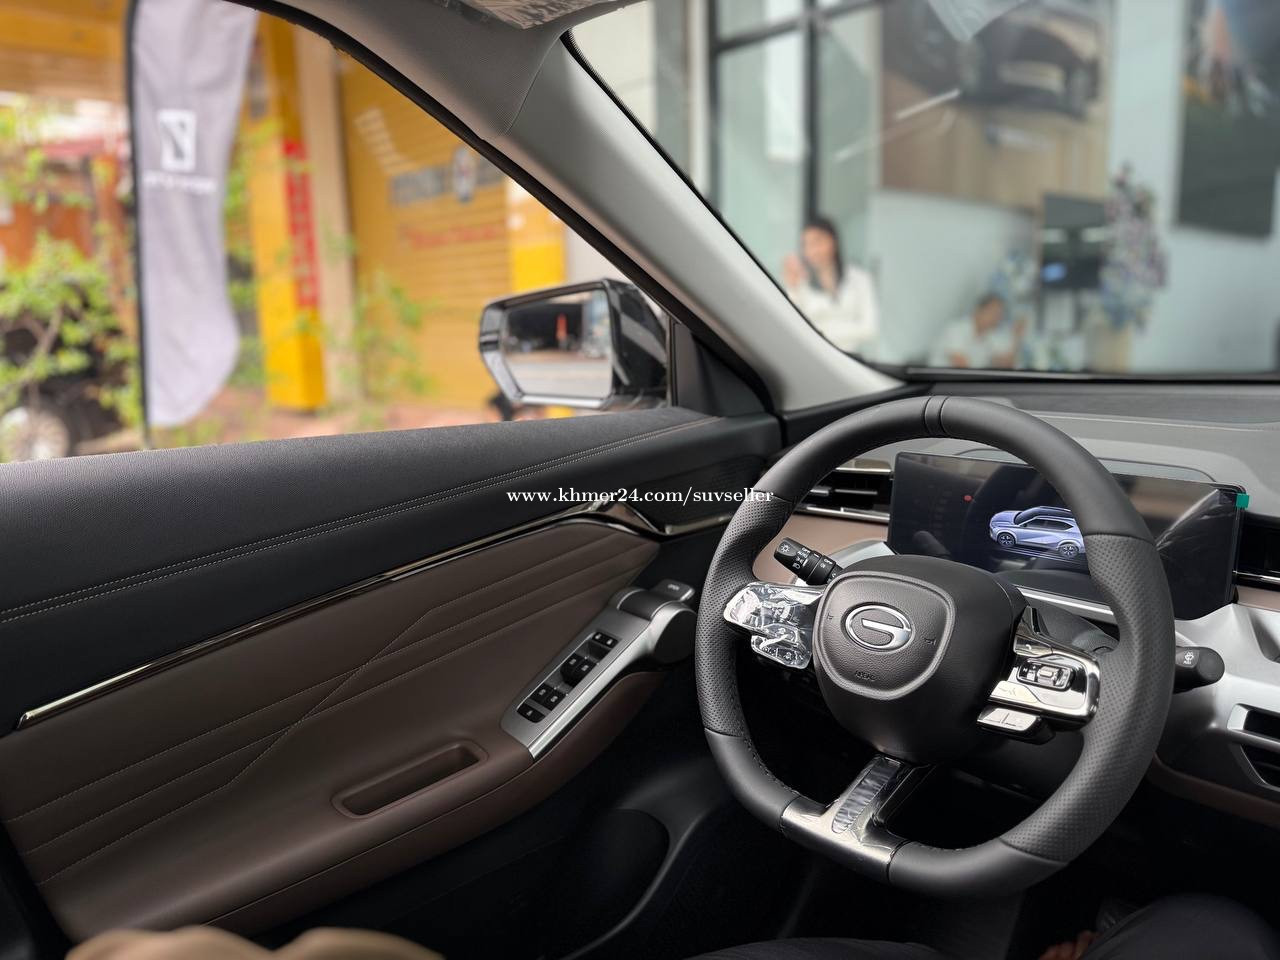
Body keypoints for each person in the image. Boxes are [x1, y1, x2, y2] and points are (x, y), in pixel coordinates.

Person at [782, 216, 879, 355]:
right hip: (814, 356)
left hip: (852, 359)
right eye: (806, 244)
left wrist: (820, 331)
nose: (812, 250)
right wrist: (792, 287)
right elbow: (795, 327)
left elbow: (869, 328)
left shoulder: (860, 279)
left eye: (817, 242)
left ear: (833, 241)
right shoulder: (801, 284)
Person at [929, 293, 1022, 369]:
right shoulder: (957, 329)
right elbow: (961, 367)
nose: (997, 318)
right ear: (978, 310)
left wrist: (1016, 337)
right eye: (994, 312)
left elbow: (1006, 364)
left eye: (999, 315)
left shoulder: (990, 337)